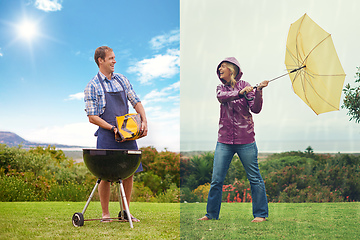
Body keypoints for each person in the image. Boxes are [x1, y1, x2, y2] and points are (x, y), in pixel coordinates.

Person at [198, 57, 269, 222]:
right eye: (219, 67)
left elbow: (256, 109)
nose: (220, 69)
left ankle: (260, 215)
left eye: (223, 66)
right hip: (224, 141)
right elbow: (222, 97)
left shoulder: (246, 85)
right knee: (217, 180)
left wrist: (258, 91)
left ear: (232, 69)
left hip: (246, 140)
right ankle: (211, 214)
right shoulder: (220, 88)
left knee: (255, 178)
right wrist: (239, 93)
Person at [84, 46, 148, 222]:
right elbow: (92, 117)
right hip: (107, 134)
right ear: (100, 60)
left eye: (114, 58)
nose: (114, 61)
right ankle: (105, 214)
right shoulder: (92, 86)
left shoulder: (122, 80)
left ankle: (125, 212)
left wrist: (144, 120)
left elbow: (136, 101)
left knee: (128, 172)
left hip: (127, 134)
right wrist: (113, 128)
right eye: (111, 58)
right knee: (103, 174)